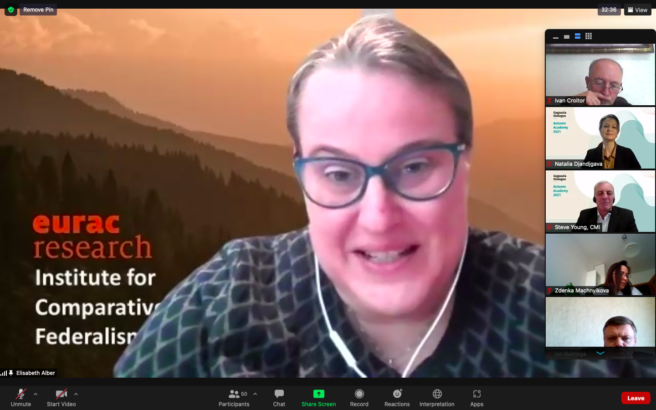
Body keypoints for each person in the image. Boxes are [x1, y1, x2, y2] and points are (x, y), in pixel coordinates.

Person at [113, 16, 655, 378]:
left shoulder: (573, 305)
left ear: (465, 161)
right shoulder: (221, 306)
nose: (378, 216)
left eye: (414, 167)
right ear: (300, 174)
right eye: (337, 173)